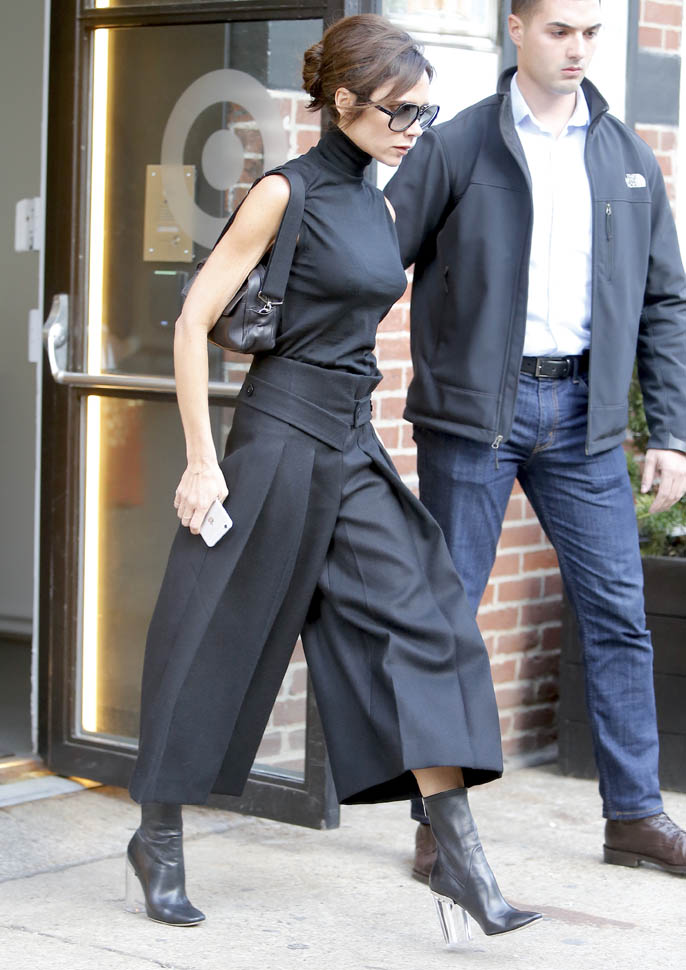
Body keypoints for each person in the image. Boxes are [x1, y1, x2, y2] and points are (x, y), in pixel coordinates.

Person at [125, 14, 541, 943]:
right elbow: (193, 321)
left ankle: (463, 863)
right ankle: (157, 840)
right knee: (208, 632)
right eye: (401, 111)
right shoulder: (286, 192)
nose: (414, 129)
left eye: (426, 113)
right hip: (276, 438)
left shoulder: (380, 202)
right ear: (344, 101)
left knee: (428, 620)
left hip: (351, 445)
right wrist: (201, 459)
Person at [385, 0, 686, 884]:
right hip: (475, 417)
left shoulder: (628, 157)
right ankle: (437, 822)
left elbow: (666, 301)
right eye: (560, 30)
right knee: (449, 620)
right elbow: (375, 259)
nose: (578, 48)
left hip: (585, 419)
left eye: (591, 32)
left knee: (619, 617)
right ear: (516, 28)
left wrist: (670, 431)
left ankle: (635, 817)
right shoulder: (457, 145)